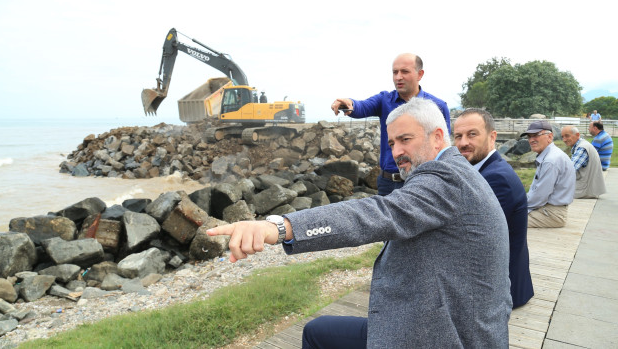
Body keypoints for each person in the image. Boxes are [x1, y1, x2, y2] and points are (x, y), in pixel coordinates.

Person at [208, 98, 511, 348]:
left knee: (317, 335)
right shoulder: (462, 172)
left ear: (437, 137)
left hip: (444, 336)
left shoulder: (444, 178)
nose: (397, 152)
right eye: (392, 143)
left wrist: (279, 227)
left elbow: (377, 213)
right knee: (321, 331)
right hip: (463, 325)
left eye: (406, 139)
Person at [329, 53, 450, 195]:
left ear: (420, 74)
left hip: (423, 182)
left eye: (404, 71)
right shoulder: (384, 100)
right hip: (388, 184)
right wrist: (349, 103)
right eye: (395, 72)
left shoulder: (438, 106)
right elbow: (362, 107)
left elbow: (445, 148)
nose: (398, 77)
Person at [453, 108, 533, 308]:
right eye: (458, 136)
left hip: (501, 290)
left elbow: (466, 237)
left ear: (492, 137)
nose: (463, 143)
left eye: (472, 134)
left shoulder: (496, 179)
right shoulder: (487, 170)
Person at [522, 121, 575, 228]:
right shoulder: (551, 155)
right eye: (529, 137)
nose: (531, 140)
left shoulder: (550, 161)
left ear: (550, 137)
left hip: (550, 214)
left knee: (508, 221)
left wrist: (519, 206)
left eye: (536, 135)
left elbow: (539, 197)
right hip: (548, 209)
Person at [561, 125, 606, 198]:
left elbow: (569, 171)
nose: (564, 140)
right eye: (562, 137)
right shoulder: (582, 144)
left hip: (584, 190)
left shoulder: (582, 148)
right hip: (586, 187)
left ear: (577, 135)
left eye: (567, 136)